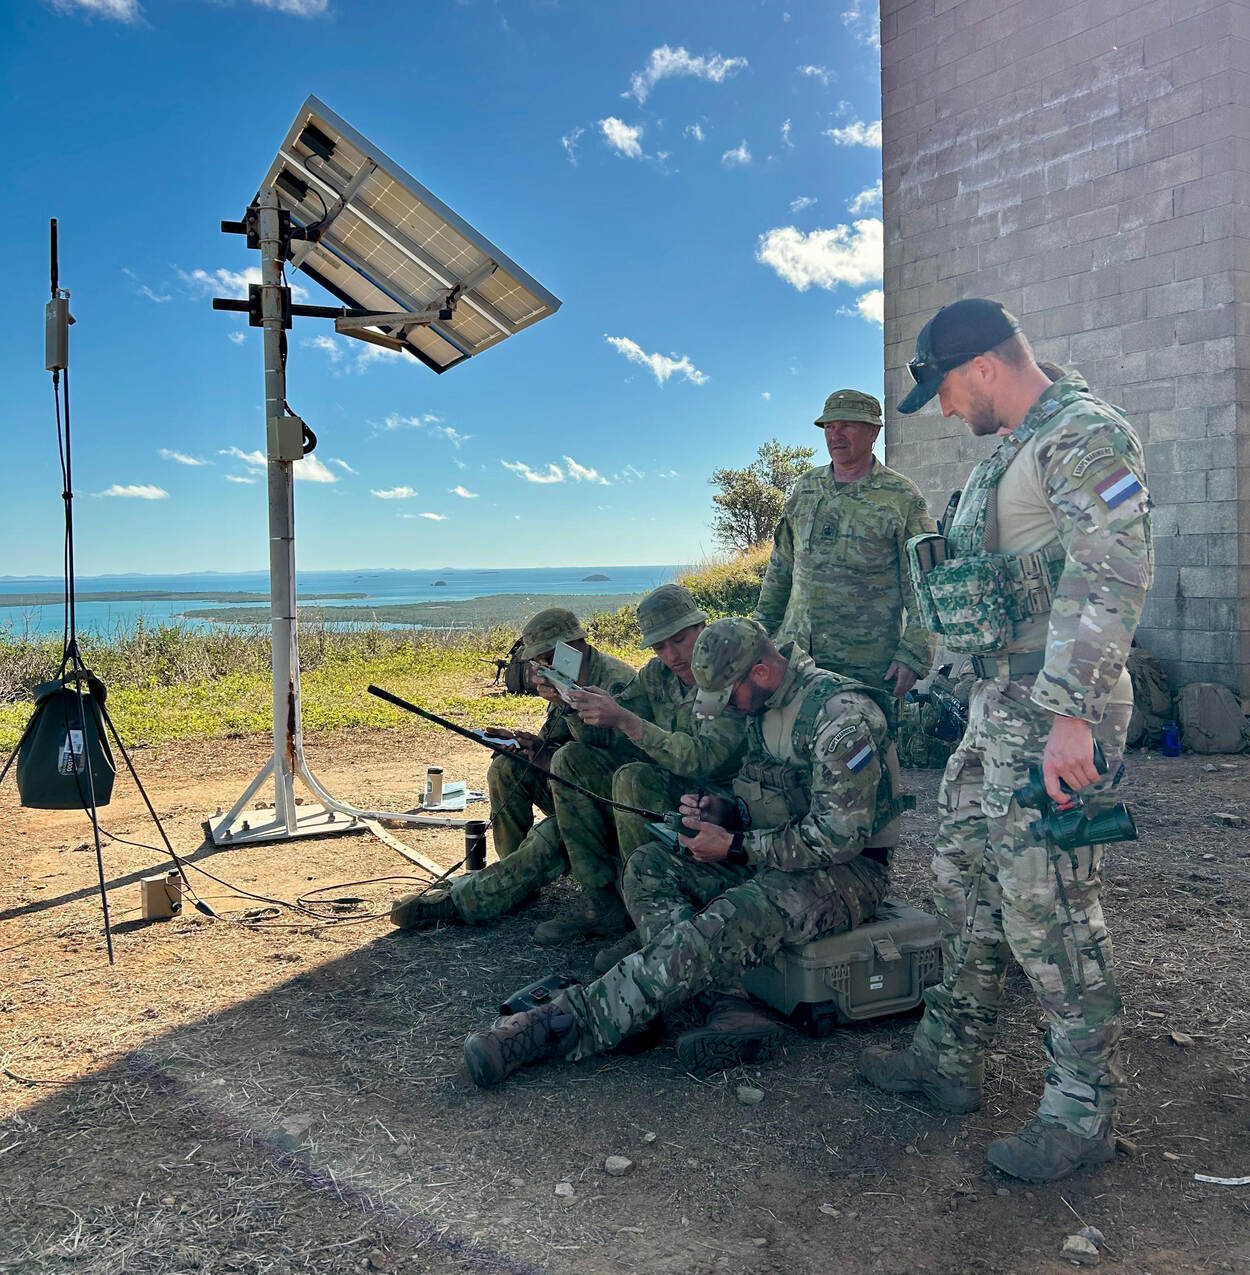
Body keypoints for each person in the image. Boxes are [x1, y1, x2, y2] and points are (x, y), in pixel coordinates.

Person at [858, 298, 1152, 1184]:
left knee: (1050, 906)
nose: (946, 409)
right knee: (965, 878)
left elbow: (1114, 566)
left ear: (983, 366)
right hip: (999, 702)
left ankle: (1081, 1110)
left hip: (1057, 710)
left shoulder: (1088, 435)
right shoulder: (1014, 447)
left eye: (946, 391)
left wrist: (1071, 717)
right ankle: (948, 1056)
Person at [460, 617, 910, 1087]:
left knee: (725, 920)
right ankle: (723, 1004)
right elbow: (766, 797)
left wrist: (735, 844)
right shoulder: (765, 701)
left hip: (847, 874)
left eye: (728, 698)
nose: (727, 709)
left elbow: (837, 839)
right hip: (775, 851)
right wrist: (725, 811)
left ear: (759, 672)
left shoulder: (841, 719)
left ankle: (564, 1024)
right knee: (648, 867)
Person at [390, 606, 636, 943]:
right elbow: (560, 742)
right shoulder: (565, 676)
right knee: (507, 768)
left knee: (549, 838)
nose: (541, 668)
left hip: (609, 803)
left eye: (546, 658)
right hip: (572, 784)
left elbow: (610, 757)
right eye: (537, 661)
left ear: (572, 646)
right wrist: (531, 746)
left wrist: (559, 734)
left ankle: (463, 902)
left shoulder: (615, 681)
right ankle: (516, 874)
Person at [753, 388, 937, 707]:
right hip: (795, 661)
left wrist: (913, 653)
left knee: (862, 738)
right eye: (829, 426)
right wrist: (759, 634)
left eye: (847, 425)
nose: (835, 434)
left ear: (874, 432)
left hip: (866, 667)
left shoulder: (901, 496)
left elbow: (925, 583)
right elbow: (781, 567)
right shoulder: (806, 488)